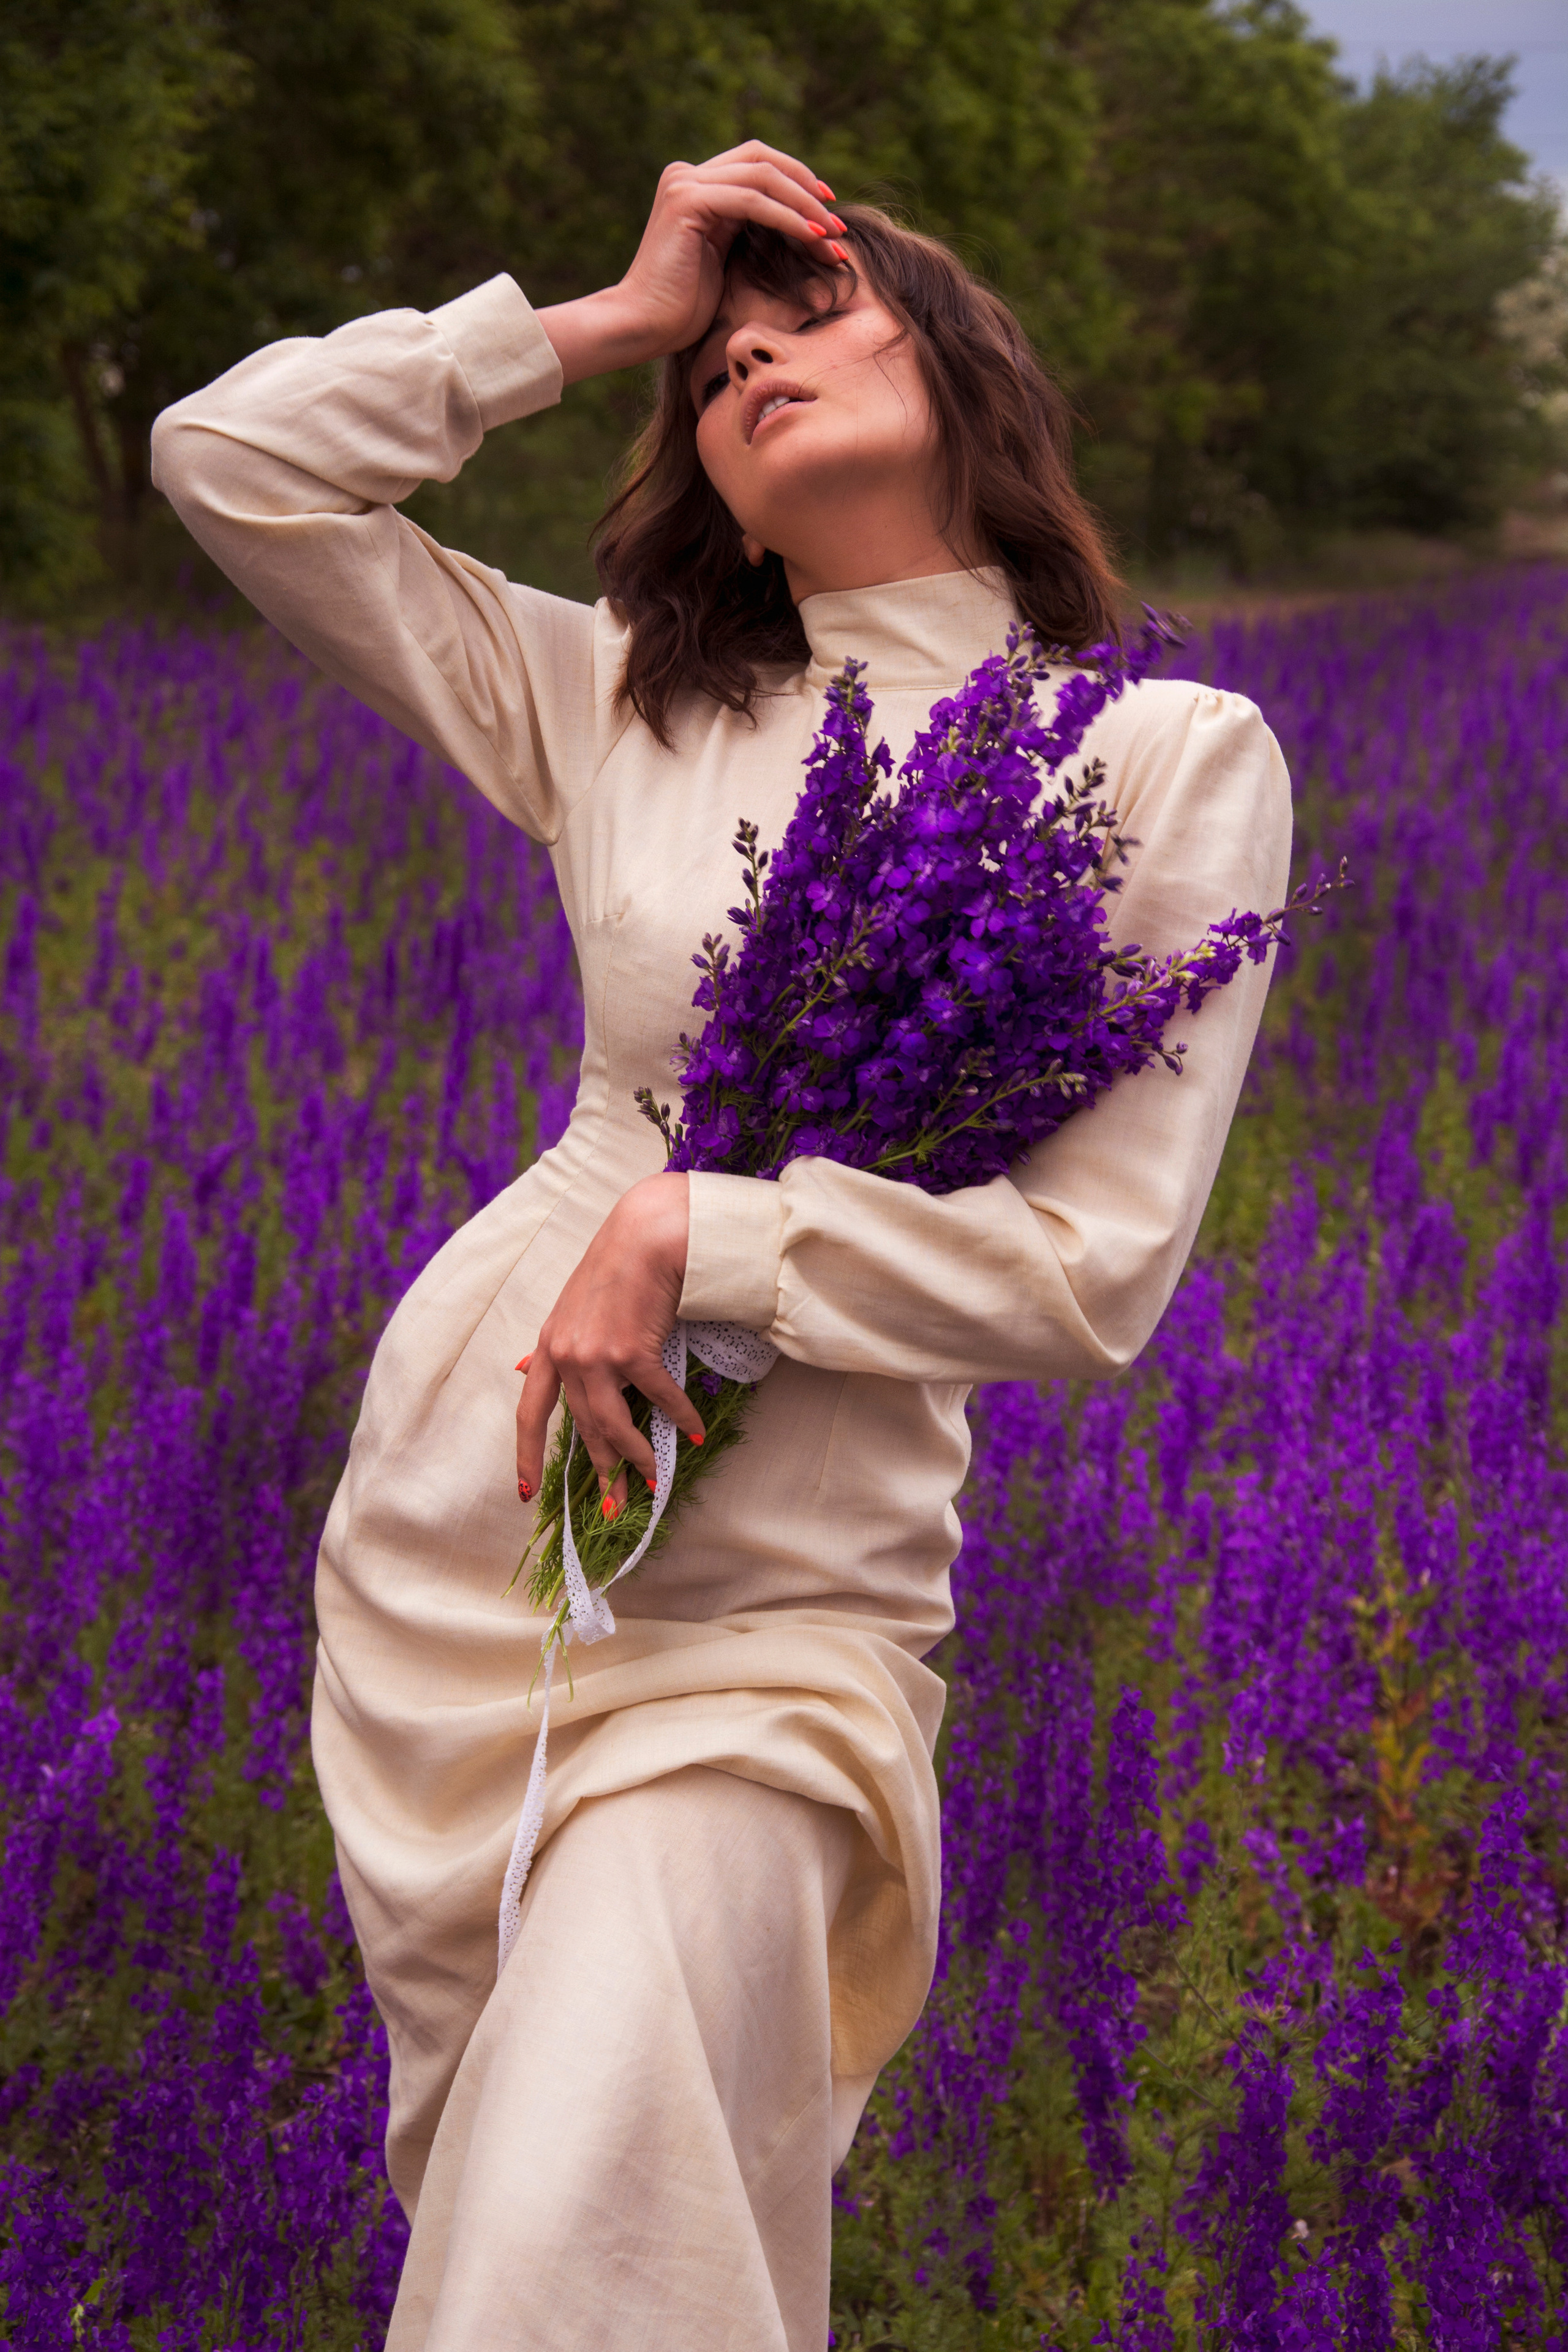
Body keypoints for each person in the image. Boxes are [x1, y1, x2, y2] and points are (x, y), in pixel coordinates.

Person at [152, 144, 1291, 2352]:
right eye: (717, 364)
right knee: (581, 2236)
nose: (751, 354)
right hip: (466, 1562)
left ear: (965, 370)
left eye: (816, 309)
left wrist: (705, 1224)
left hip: (778, 1620)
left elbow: (1091, 1270)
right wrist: (602, 320)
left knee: (567, 2227)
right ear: (716, 490)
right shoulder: (623, 703)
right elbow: (234, 461)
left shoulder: (1160, 754)